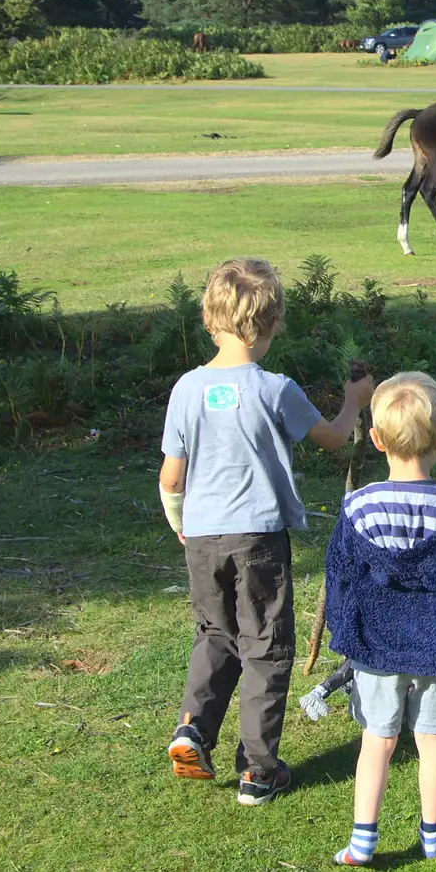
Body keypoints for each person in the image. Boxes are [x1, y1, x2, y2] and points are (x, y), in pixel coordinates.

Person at [158, 257, 374, 805]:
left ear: (209, 318)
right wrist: (355, 402)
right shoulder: (274, 389)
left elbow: (171, 475)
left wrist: (182, 525)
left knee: (215, 634)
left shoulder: (186, 388)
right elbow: (331, 438)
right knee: (267, 647)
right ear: (273, 323)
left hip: (202, 538)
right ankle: (258, 770)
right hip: (257, 539)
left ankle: (192, 729)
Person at [322, 371, 436, 865]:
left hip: (376, 647)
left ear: (377, 439)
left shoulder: (356, 507)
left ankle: (362, 838)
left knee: (376, 742)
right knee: (433, 743)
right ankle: (433, 834)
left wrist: (347, 637)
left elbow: (338, 578)